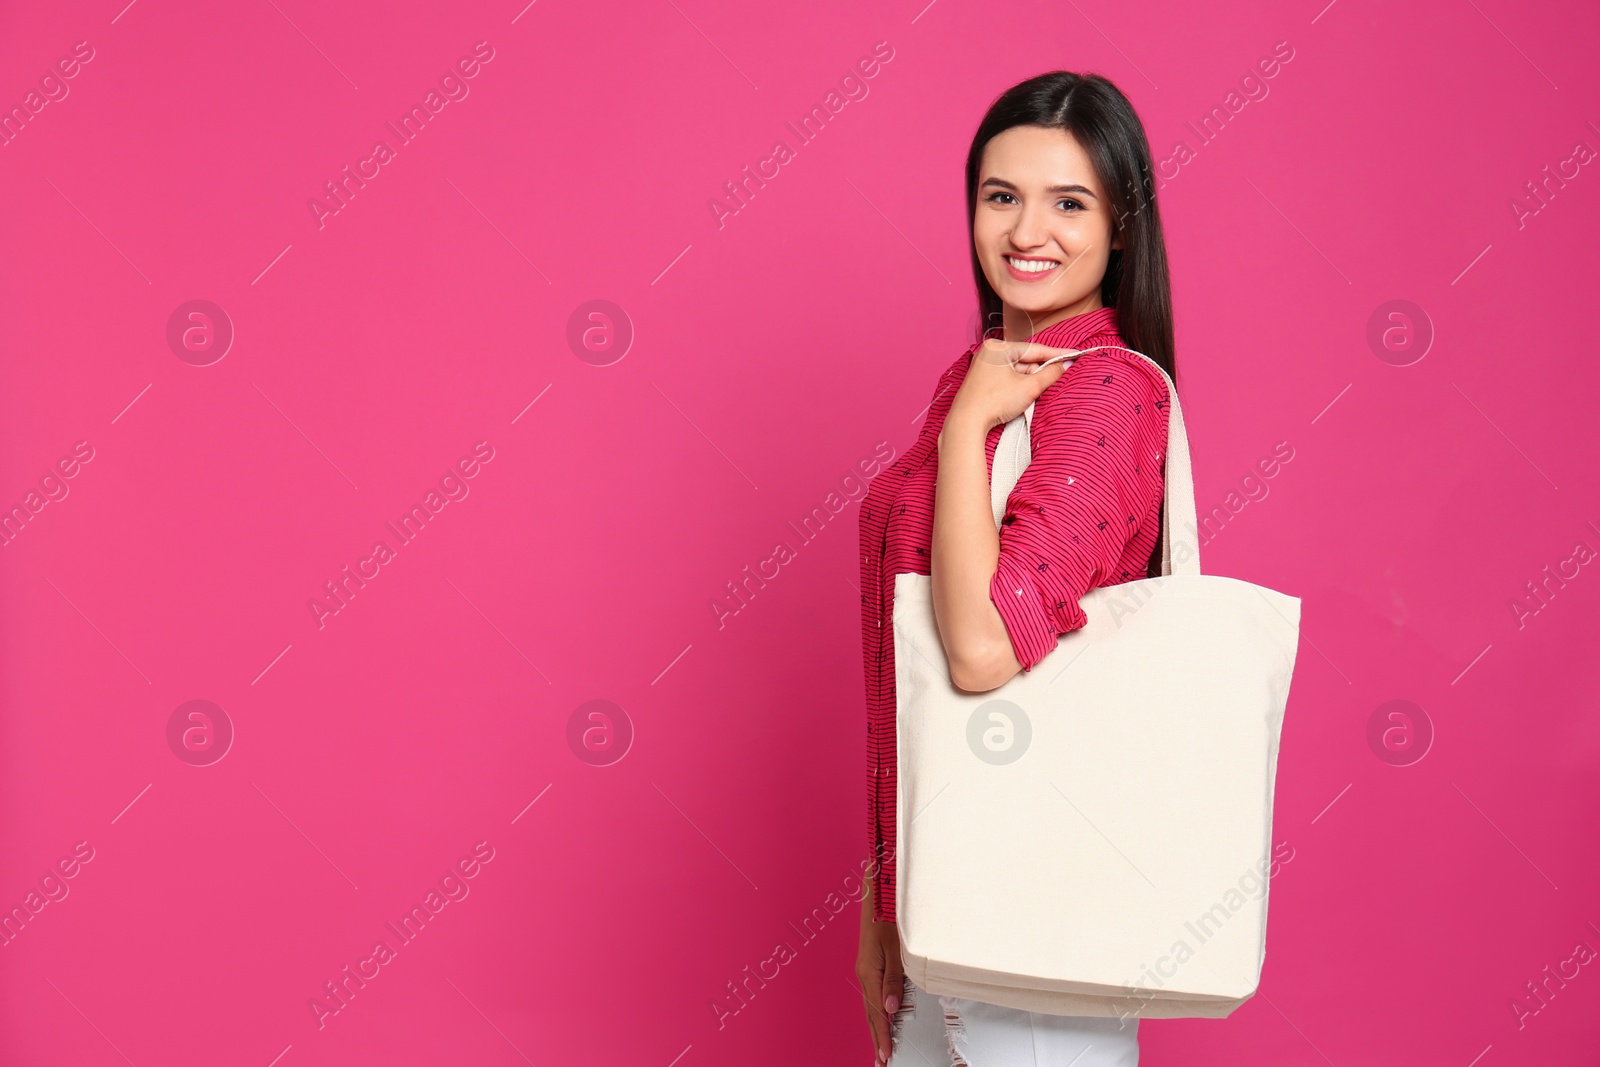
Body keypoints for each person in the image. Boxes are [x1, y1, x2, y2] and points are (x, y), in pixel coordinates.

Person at [855, 70, 1179, 1066]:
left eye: (1068, 201)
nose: (1025, 229)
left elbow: (984, 650)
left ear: (1120, 228)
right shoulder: (980, 377)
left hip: (1037, 898)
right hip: (941, 896)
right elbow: (906, 673)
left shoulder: (1110, 391)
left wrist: (963, 434)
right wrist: (882, 890)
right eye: (1001, 196)